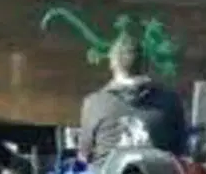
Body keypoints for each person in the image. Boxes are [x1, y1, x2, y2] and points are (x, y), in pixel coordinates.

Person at [78, 33, 188, 166]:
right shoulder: (171, 100)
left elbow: (84, 155)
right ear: (146, 65)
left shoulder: (94, 103)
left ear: (112, 64)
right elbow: (180, 152)